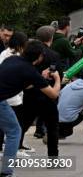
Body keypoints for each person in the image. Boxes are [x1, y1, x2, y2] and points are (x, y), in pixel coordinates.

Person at [0, 40, 60, 177]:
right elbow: (53, 94)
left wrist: (40, 78)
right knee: (14, 132)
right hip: (1, 102)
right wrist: (56, 79)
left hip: (3, 99)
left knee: (17, 128)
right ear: (39, 57)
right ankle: (6, 172)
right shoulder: (30, 71)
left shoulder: (11, 59)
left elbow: (24, 84)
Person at [0, 32, 31, 156]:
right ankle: (14, 150)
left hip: (4, 94)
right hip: (14, 96)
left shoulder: (3, 53)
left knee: (4, 126)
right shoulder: (19, 56)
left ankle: (5, 148)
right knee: (16, 127)